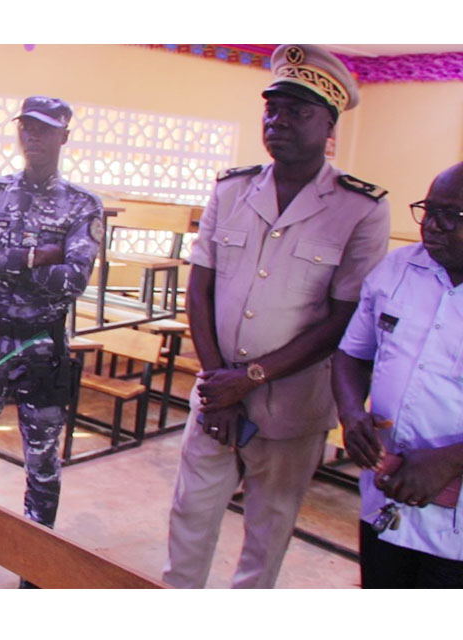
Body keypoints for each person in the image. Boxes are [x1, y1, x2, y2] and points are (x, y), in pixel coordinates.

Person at [162, 44, 391, 588]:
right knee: (189, 519)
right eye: (272, 109)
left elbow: (343, 318)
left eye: (297, 111)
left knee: (268, 529)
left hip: (292, 404)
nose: (277, 121)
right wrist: (218, 382)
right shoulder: (233, 188)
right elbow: (200, 288)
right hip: (216, 394)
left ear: (329, 125)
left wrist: (249, 380)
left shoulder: (361, 207)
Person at [0, 96, 104, 584]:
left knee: (43, 456)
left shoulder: (82, 204)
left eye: (45, 130)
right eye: (26, 128)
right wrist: (33, 258)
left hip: (41, 347)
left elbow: (73, 278)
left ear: (63, 137)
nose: (33, 137)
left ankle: (36, 560)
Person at [332, 163, 463, 588]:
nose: (432, 227)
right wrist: (352, 414)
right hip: (386, 500)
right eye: (428, 210)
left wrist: (450, 459)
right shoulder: (397, 270)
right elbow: (352, 354)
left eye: (451, 216)